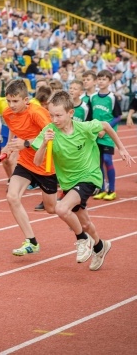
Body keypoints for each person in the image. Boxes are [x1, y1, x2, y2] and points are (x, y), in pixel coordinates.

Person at [33, 91, 134, 270]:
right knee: (85, 223)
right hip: (68, 183)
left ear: (70, 113)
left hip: (90, 176)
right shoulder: (48, 131)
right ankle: (100, 246)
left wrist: (122, 149)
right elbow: (37, 162)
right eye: (51, 115)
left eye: (58, 115)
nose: (54, 119)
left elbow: (106, 126)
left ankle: (82, 240)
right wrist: (43, 144)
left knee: (61, 208)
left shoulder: (84, 128)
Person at [1, 79, 58, 255]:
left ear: (26, 100)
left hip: (45, 164)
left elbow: (53, 134)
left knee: (52, 209)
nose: (11, 105)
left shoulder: (37, 113)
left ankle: (77, 218)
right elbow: (14, 128)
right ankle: (31, 241)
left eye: (15, 101)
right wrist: (8, 145)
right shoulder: (7, 113)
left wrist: (26, 143)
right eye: (8, 101)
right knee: (12, 196)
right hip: (26, 163)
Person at [91, 70, 122, 201]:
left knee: (108, 160)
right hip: (95, 134)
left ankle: (112, 190)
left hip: (108, 135)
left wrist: (105, 128)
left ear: (110, 82)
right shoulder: (93, 97)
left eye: (104, 79)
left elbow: (118, 116)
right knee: (99, 162)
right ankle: (102, 188)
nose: (101, 81)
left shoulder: (112, 97)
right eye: (99, 79)